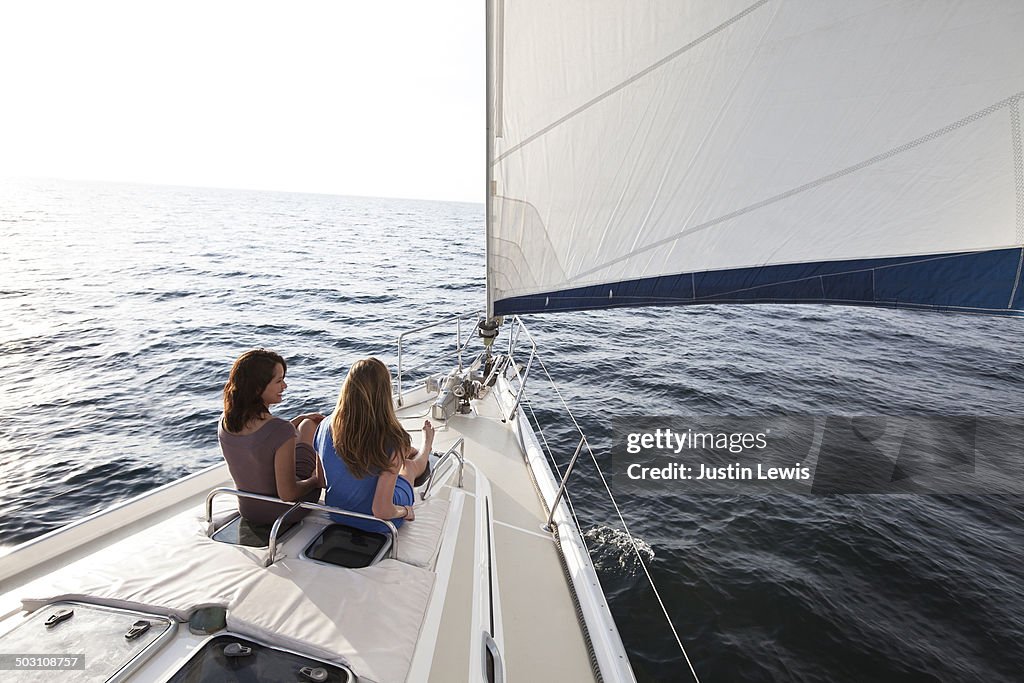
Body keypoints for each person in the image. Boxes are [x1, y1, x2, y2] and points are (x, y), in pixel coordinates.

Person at [314, 357, 433, 533]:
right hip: (377, 523)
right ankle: (426, 445)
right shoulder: (393, 438)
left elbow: (322, 481)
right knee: (409, 467)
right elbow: (381, 511)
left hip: (337, 513)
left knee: (391, 456)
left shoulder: (324, 425)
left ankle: (403, 455)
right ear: (384, 393)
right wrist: (405, 511)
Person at [218, 349, 325, 524]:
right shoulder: (281, 430)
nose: (285, 386)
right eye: (279, 381)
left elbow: (264, 440)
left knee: (304, 423)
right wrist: (315, 479)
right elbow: (288, 494)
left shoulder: (225, 421)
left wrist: (299, 419)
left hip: (248, 510)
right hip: (284, 512)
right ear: (258, 387)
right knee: (311, 426)